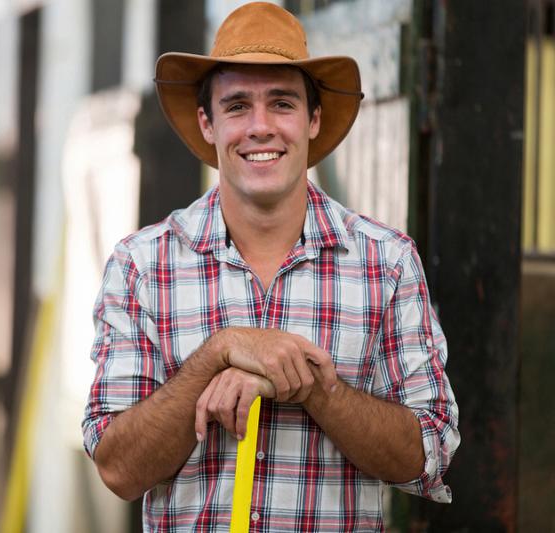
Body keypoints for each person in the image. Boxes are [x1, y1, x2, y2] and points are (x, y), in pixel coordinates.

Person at [82, 2, 460, 531]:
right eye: (237, 106)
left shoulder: (387, 262)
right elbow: (118, 470)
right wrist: (217, 353)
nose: (260, 127)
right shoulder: (142, 266)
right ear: (207, 124)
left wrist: (310, 387)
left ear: (313, 120)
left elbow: (429, 454)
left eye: (281, 103)